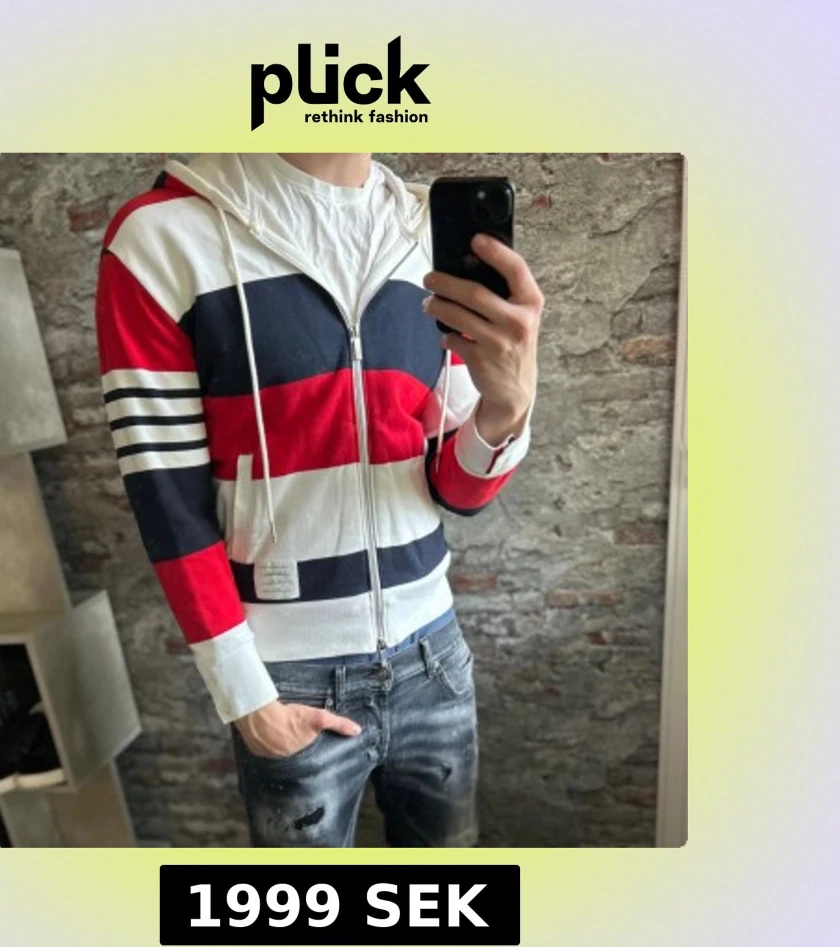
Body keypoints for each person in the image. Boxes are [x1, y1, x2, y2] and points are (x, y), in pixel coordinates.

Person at [95, 153, 542, 847]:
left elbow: (455, 489)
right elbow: (169, 505)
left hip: (436, 657)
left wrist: (507, 409)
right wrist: (248, 700)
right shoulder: (161, 237)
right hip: (289, 682)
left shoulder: (423, 233)